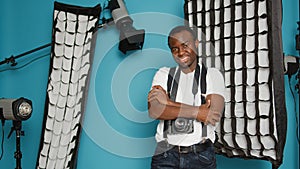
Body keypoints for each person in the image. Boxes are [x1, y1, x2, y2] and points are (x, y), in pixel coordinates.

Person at [148, 25, 225, 169]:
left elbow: (212, 115)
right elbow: (154, 111)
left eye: (185, 45)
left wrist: (168, 103)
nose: (181, 52)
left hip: (200, 156)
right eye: (174, 49)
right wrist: (197, 112)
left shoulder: (212, 75)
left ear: (196, 43)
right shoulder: (164, 74)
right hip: (165, 155)